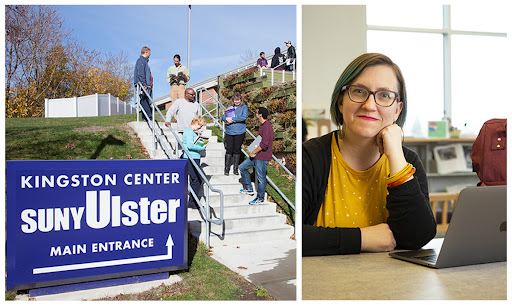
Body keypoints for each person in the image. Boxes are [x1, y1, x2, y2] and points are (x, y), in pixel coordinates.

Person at [303, 53, 436, 256]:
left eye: (384, 95)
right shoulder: (310, 157)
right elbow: (294, 234)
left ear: (397, 110)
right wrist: (361, 238)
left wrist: (395, 153)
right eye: (358, 91)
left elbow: (417, 237)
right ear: (340, 101)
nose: (369, 105)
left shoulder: (408, 161)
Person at [239, 107, 274, 205]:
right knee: (242, 167)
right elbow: (259, 140)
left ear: (260, 114)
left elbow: (264, 144)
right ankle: (249, 188)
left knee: (261, 179)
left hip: (262, 157)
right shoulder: (262, 126)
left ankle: (260, 198)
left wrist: (253, 151)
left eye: (256, 112)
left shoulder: (267, 126)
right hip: (256, 155)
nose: (255, 114)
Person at [221, 92, 249, 176]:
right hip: (230, 132)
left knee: (237, 149)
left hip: (240, 132)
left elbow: (244, 117)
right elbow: (223, 116)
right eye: (235, 100)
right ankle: (226, 168)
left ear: (241, 100)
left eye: (238, 100)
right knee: (229, 149)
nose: (237, 102)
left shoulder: (244, 107)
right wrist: (226, 119)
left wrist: (233, 119)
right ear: (233, 100)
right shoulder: (229, 106)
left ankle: (235, 168)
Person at [182, 115, 207, 207]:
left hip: (194, 157)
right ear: (196, 123)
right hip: (190, 157)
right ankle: (193, 202)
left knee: (195, 179)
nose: (200, 127)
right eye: (200, 125)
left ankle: (193, 201)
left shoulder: (192, 132)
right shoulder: (188, 131)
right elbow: (190, 146)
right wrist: (201, 147)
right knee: (196, 179)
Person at [134, 46, 153, 121]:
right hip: (143, 85)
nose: (150, 55)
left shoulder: (144, 61)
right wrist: (144, 84)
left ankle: (146, 117)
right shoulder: (141, 61)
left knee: (146, 100)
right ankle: (147, 117)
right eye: (149, 53)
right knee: (144, 100)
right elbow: (140, 73)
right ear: (146, 52)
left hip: (146, 85)